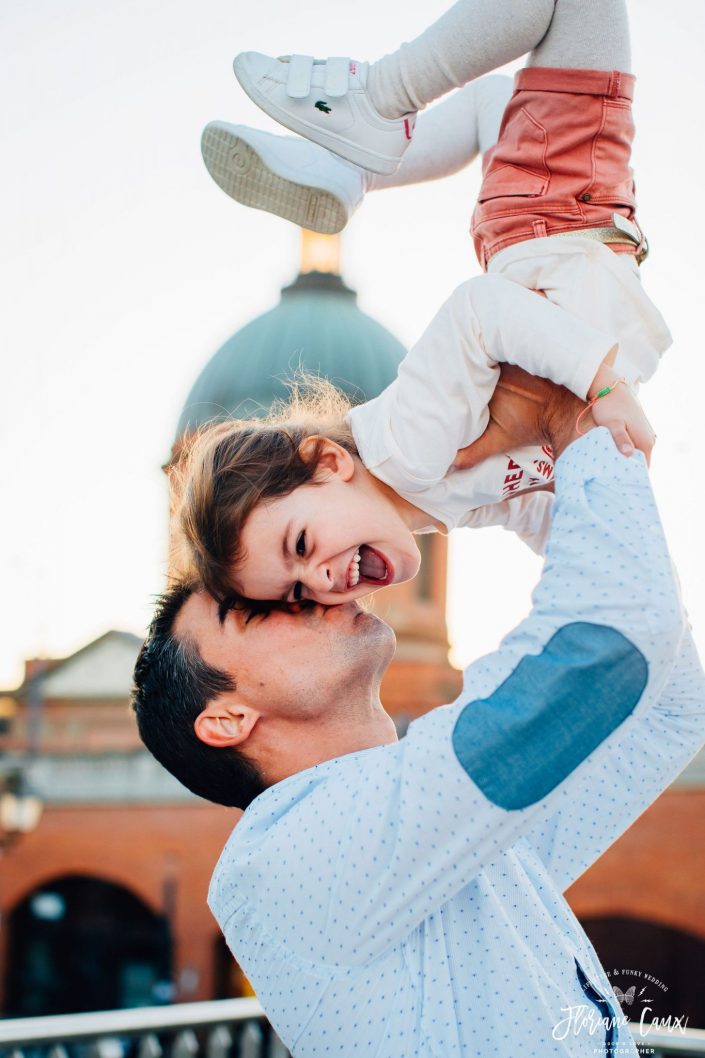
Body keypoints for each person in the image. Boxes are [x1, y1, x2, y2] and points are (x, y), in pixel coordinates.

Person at [132, 378, 705, 1057]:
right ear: (226, 718)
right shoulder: (288, 859)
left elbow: (669, 704)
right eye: (264, 606)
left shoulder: (438, 837)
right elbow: (609, 646)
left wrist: (538, 512)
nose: (313, 591)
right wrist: (573, 426)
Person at [202, 0, 670, 386]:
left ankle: (364, 125)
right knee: (493, 97)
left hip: (555, 232)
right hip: (549, 242)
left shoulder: (582, 407)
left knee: (512, 73)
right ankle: (358, 143)